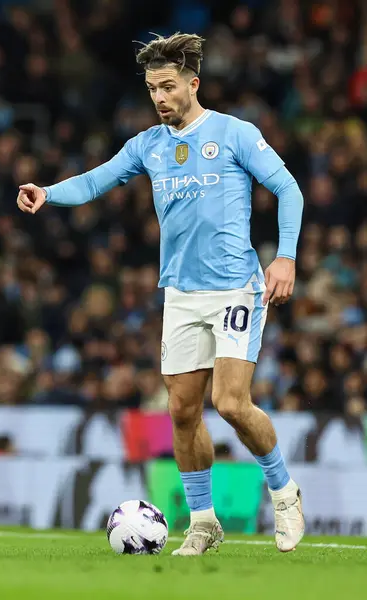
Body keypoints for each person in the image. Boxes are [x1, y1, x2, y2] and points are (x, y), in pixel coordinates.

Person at [17, 33, 304, 555]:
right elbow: (96, 181)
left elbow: (289, 189)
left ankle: (284, 492)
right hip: (181, 294)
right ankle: (202, 522)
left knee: (231, 403)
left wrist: (285, 257)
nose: (159, 97)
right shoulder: (147, 144)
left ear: (193, 83)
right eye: (152, 88)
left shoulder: (234, 133)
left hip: (236, 287)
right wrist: (48, 193)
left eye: (168, 86)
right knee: (180, 411)